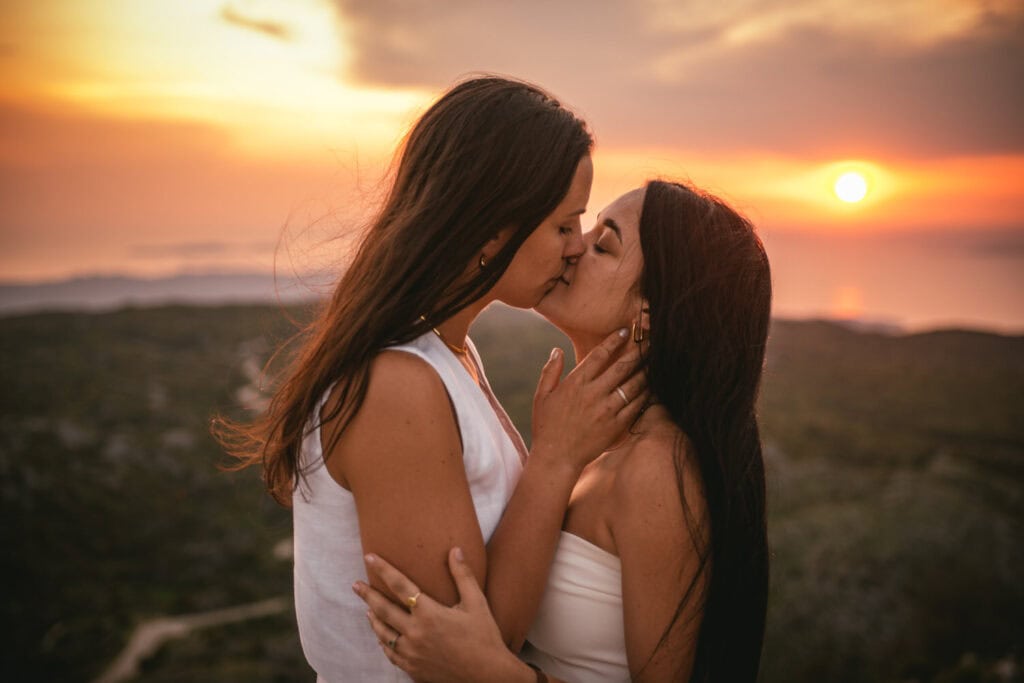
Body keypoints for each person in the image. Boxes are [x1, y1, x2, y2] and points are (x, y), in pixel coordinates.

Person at [214, 75, 650, 682]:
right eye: (563, 225)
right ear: (494, 229)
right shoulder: (396, 385)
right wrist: (556, 457)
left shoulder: (451, 356)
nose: (577, 247)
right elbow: (468, 653)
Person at [353, 180, 772, 682]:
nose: (573, 248)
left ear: (651, 310)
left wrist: (495, 675)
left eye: (603, 244)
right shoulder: (589, 449)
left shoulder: (657, 467)